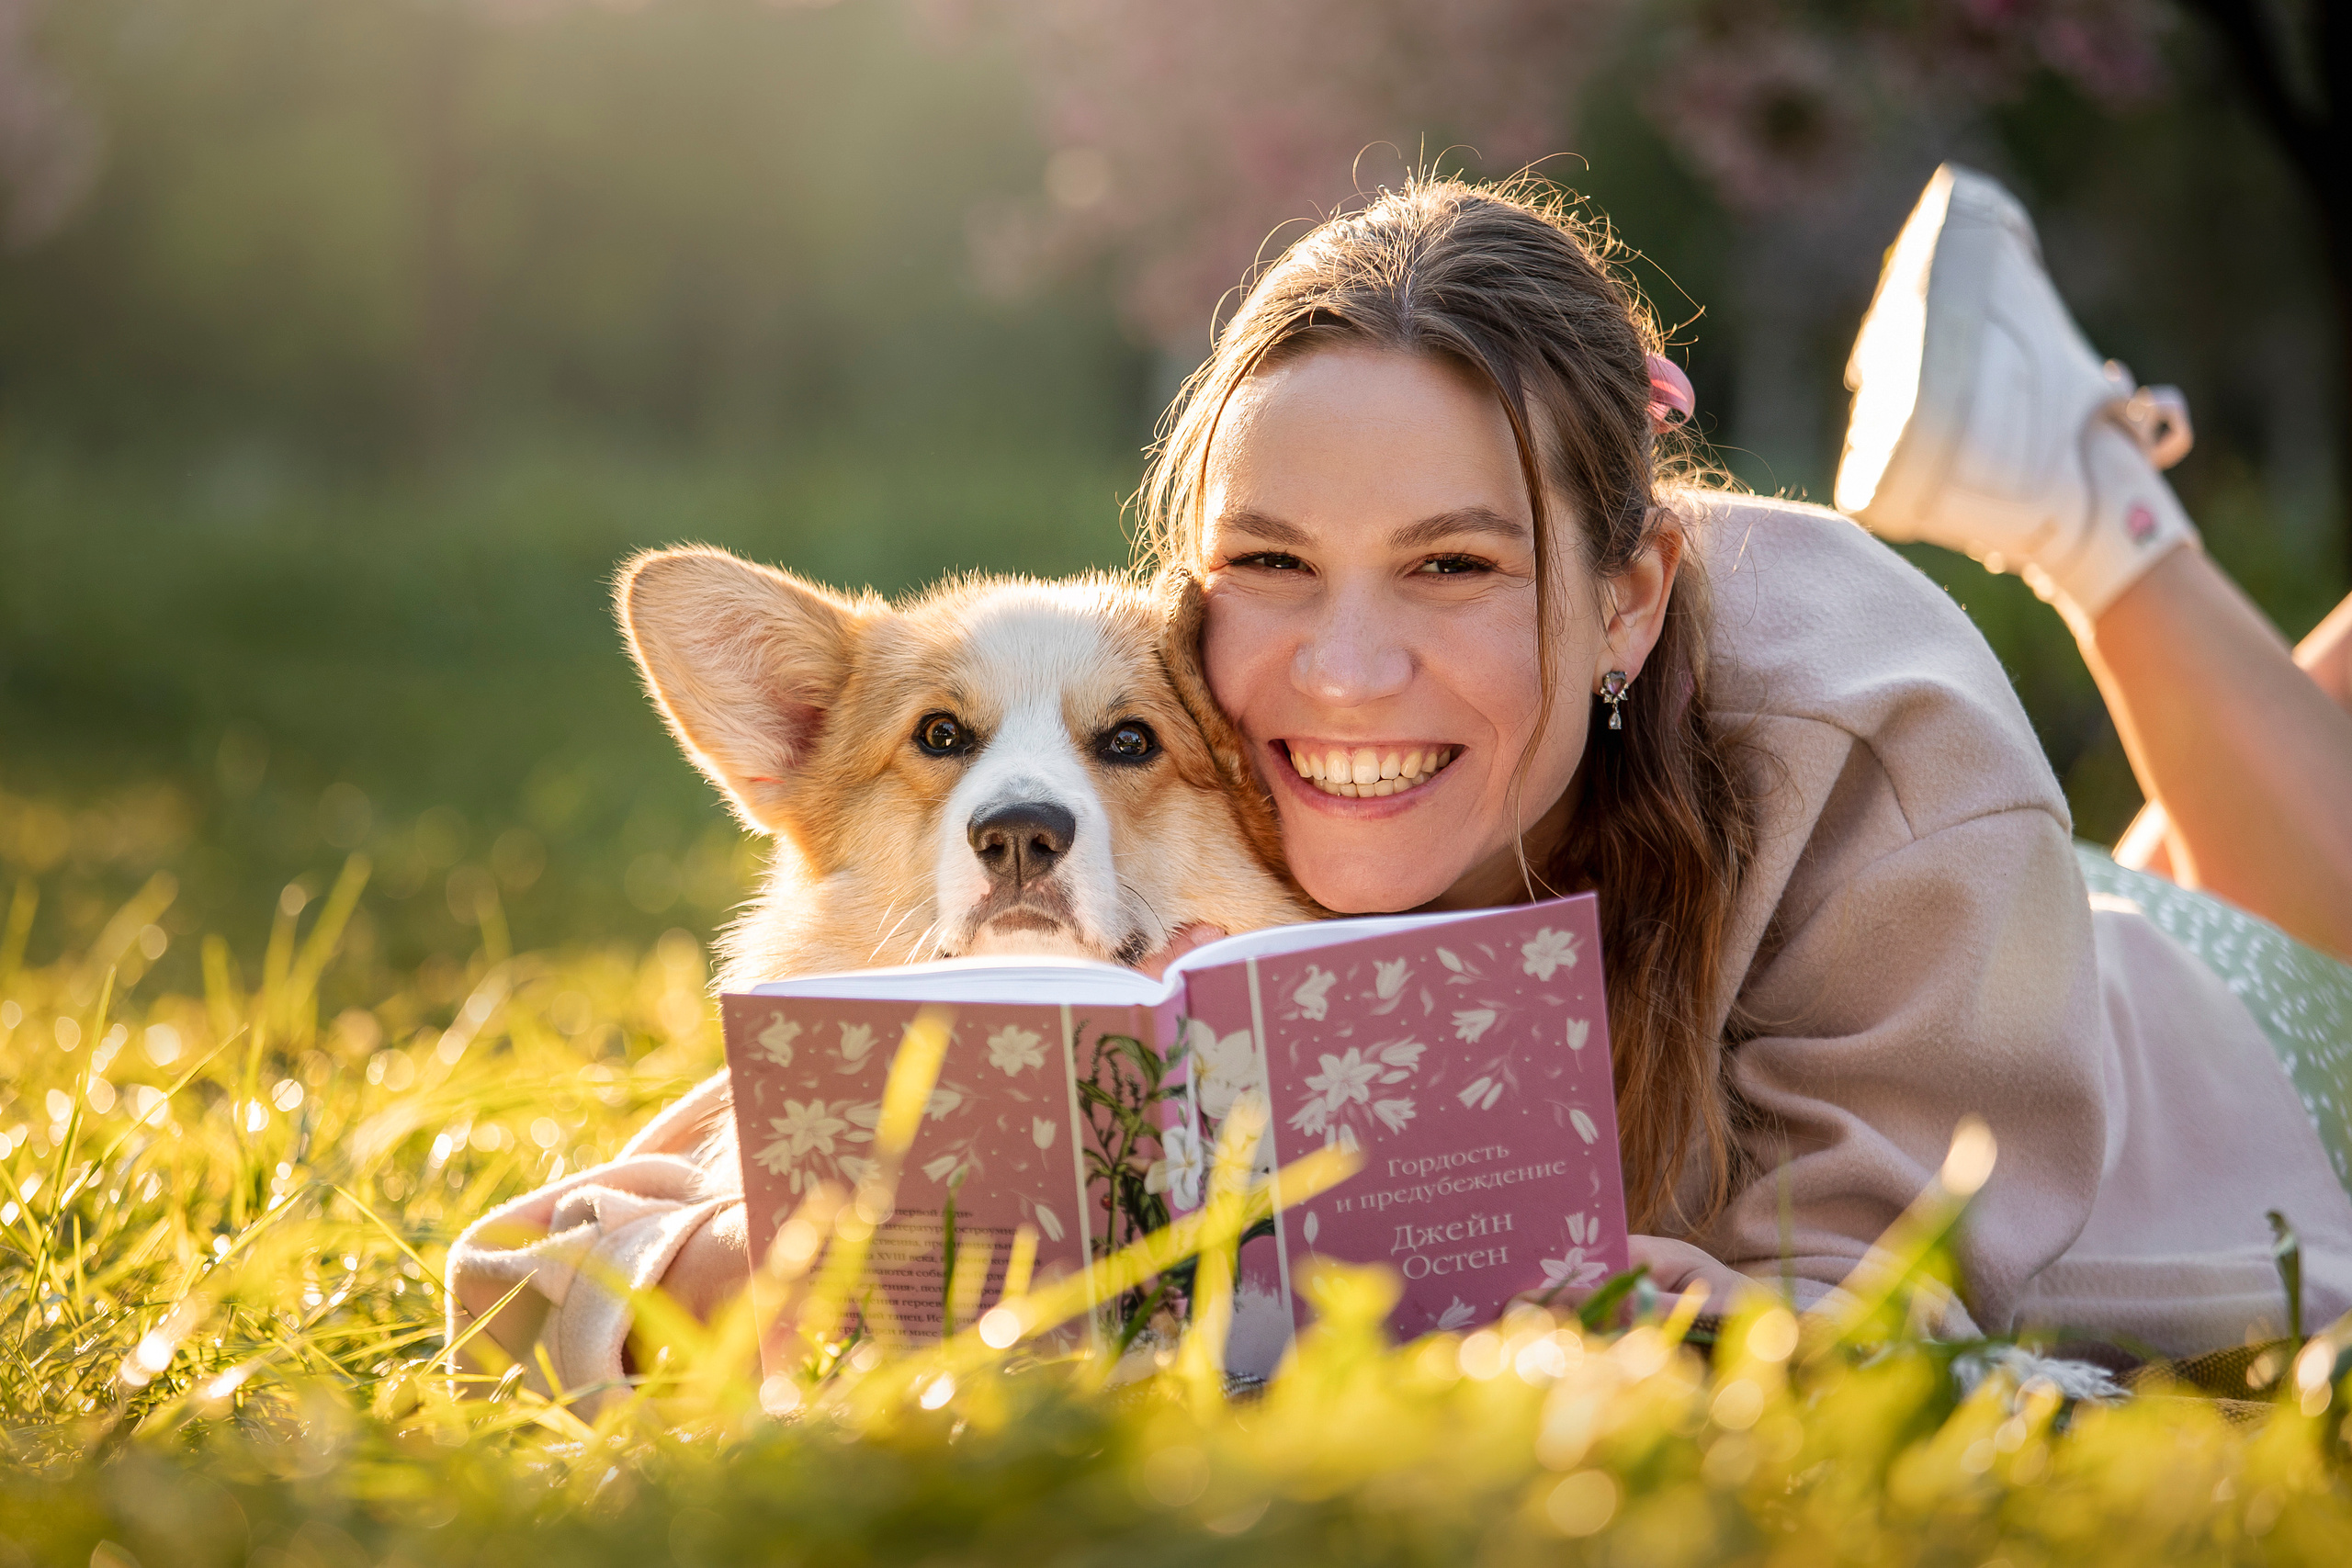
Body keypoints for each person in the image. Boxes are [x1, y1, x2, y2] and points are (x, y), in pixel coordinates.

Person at [449, 168, 2352, 1403]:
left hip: (2201, 1046)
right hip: (2054, 902)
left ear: (1622, 598)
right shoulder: (1181, 766)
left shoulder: (1843, 714)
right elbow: (555, 1254)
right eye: (1269, 564)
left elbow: (1878, 1319)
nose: (1338, 669)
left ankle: (2089, 519)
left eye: (1450, 562)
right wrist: (722, 1265)